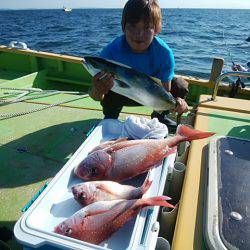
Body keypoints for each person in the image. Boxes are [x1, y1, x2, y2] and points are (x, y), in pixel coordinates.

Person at [89, 0, 189, 127]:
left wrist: (175, 104)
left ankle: (159, 117)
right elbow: (95, 96)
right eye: (132, 26)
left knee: (180, 85)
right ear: (123, 27)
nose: (139, 34)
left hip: (151, 97)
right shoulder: (110, 52)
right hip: (123, 93)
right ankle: (110, 118)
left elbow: (165, 90)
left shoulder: (164, 53)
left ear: (156, 29)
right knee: (108, 84)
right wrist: (97, 90)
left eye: (147, 28)